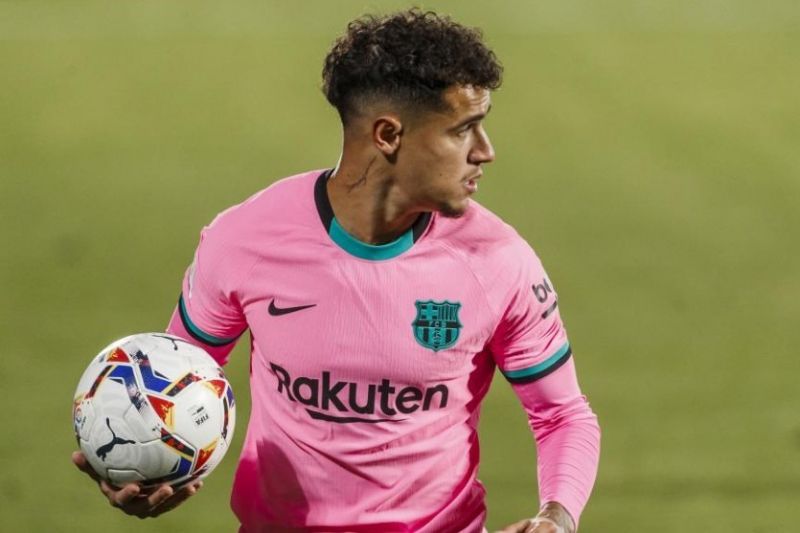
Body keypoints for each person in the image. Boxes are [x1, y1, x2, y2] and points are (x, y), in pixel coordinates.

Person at [73, 9, 600, 533]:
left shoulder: (498, 261)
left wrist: (556, 518)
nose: (486, 152)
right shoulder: (244, 239)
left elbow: (562, 414)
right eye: (464, 130)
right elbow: (170, 378)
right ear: (388, 135)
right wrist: (145, 470)